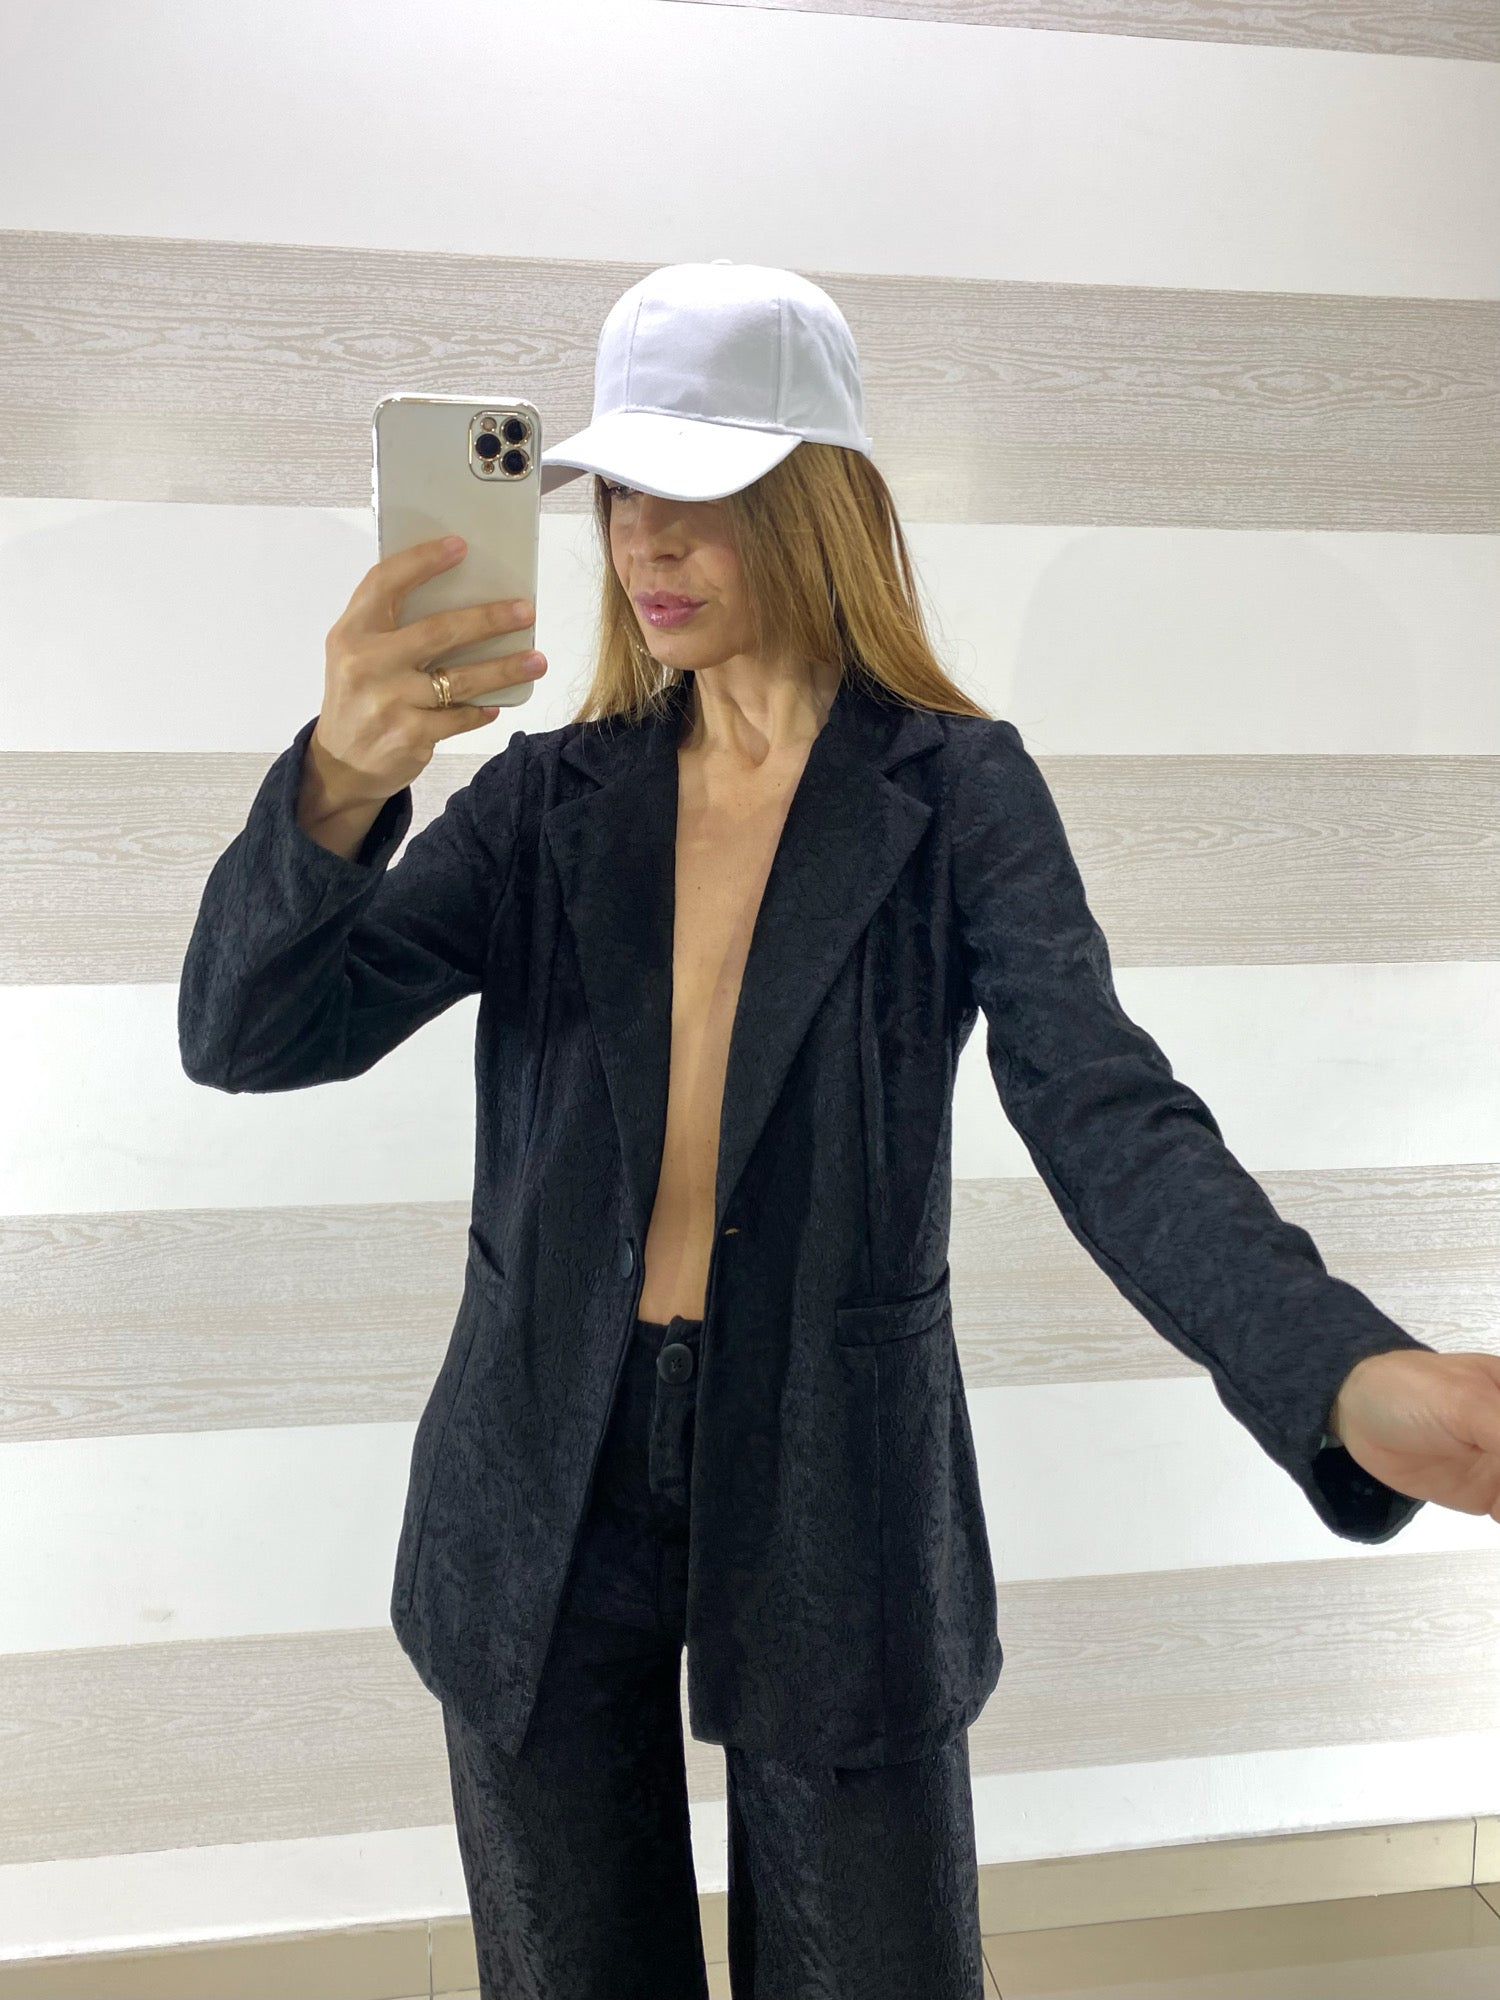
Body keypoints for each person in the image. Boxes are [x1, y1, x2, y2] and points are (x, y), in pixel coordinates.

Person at [179, 261, 1500, 2000]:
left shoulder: (956, 792)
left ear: (821, 503)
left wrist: (1337, 1369)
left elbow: (1103, 1106)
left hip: (829, 1459)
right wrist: (342, 785)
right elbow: (252, 1037)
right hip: (540, 1459)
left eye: (703, 491)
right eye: (621, 492)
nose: (647, 541)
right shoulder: (548, 800)